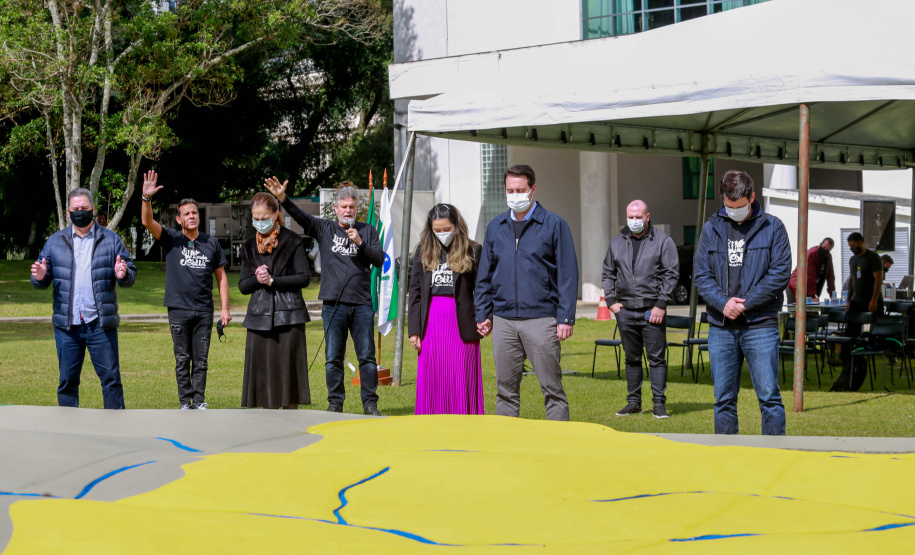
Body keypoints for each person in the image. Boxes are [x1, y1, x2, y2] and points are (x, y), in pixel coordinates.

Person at [263, 177, 384, 416]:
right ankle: (335, 403)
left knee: (367, 358)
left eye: (351, 206)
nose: (347, 210)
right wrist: (282, 198)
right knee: (333, 358)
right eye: (343, 206)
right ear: (336, 208)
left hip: (361, 304)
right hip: (333, 304)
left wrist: (359, 242)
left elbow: (379, 260)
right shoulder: (325, 228)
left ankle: (370, 404)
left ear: (356, 209)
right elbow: (301, 217)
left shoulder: (367, 231)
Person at [475, 164, 578, 421]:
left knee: (552, 389)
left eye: (520, 190)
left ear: (532, 190)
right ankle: (507, 448)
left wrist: (565, 318)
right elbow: (484, 276)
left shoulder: (554, 225)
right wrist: (483, 313)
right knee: (505, 391)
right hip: (504, 322)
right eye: (510, 190)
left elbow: (567, 274)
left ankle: (558, 446)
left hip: (542, 320)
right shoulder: (495, 227)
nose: (514, 195)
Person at [693, 170, 791, 435]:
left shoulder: (773, 227)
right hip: (721, 326)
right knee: (723, 400)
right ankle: (727, 461)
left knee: (769, 398)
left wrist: (745, 303)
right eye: (728, 206)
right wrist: (723, 303)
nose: (733, 211)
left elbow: (780, 273)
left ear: (752, 197)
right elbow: (701, 275)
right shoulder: (711, 228)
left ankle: (775, 459)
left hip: (760, 325)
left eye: (739, 206)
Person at [30, 188, 137, 409]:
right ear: (69, 212)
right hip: (67, 326)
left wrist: (123, 274)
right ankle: (71, 434)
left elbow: (130, 275)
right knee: (67, 382)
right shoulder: (54, 242)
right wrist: (39, 277)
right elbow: (40, 277)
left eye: (84, 208)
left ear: (93, 210)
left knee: (111, 381)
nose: (80, 212)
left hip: (100, 324)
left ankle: (117, 433)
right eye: (76, 209)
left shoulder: (110, 239)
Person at [140, 170, 231, 410]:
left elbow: (221, 278)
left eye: (194, 213)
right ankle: (185, 402)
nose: (191, 216)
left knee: (200, 360)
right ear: (178, 219)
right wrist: (146, 198)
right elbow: (147, 222)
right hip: (178, 309)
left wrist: (225, 309)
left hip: (203, 310)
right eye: (186, 214)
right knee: (182, 359)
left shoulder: (211, 243)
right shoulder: (171, 238)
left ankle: (199, 401)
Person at [602, 200, 679, 419]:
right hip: (625, 311)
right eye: (630, 216)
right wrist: (611, 302)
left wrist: (661, 304)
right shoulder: (617, 242)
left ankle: (659, 405)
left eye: (638, 217)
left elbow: (671, 274)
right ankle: (633, 403)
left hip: (652, 311)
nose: (634, 221)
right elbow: (608, 272)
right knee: (631, 358)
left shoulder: (663, 242)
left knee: (656, 359)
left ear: (647, 217)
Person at [408, 204, 484, 415]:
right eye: (437, 230)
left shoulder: (473, 250)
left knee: (461, 373)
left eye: (446, 228)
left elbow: (485, 289)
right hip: (431, 320)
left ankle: (464, 419)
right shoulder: (422, 251)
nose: (442, 234)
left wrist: (485, 317)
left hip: (461, 321)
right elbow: (414, 292)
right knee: (432, 373)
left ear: (457, 226)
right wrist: (414, 330)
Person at [238, 193, 311, 409]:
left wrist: (273, 280)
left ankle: (291, 423)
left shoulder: (293, 241)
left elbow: (304, 278)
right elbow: (243, 286)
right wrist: (257, 278)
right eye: (256, 218)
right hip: (259, 319)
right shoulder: (249, 246)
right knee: (264, 379)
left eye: (264, 218)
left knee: (288, 378)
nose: (260, 223)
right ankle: (269, 424)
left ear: (275, 214)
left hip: (289, 317)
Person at [830, 232, 883, 392]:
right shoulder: (853, 259)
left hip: (870, 300)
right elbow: (852, 278)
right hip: (856, 301)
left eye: (854, 246)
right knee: (849, 332)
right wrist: (848, 300)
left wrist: (873, 300)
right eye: (850, 247)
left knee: (871, 332)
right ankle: (847, 361)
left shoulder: (873, 257)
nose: (852, 249)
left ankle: (863, 358)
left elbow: (878, 279)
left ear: (861, 242)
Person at [786, 238, 835, 304]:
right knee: (796, 312)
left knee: (812, 312)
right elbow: (810, 276)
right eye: (824, 247)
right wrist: (812, 297)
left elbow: (830, 276)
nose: (825, 251)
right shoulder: (811, 254)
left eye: (828, 250)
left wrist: (832, 294)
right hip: (795, 287)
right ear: (820, 244)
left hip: (808, 289)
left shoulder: (828, 257)